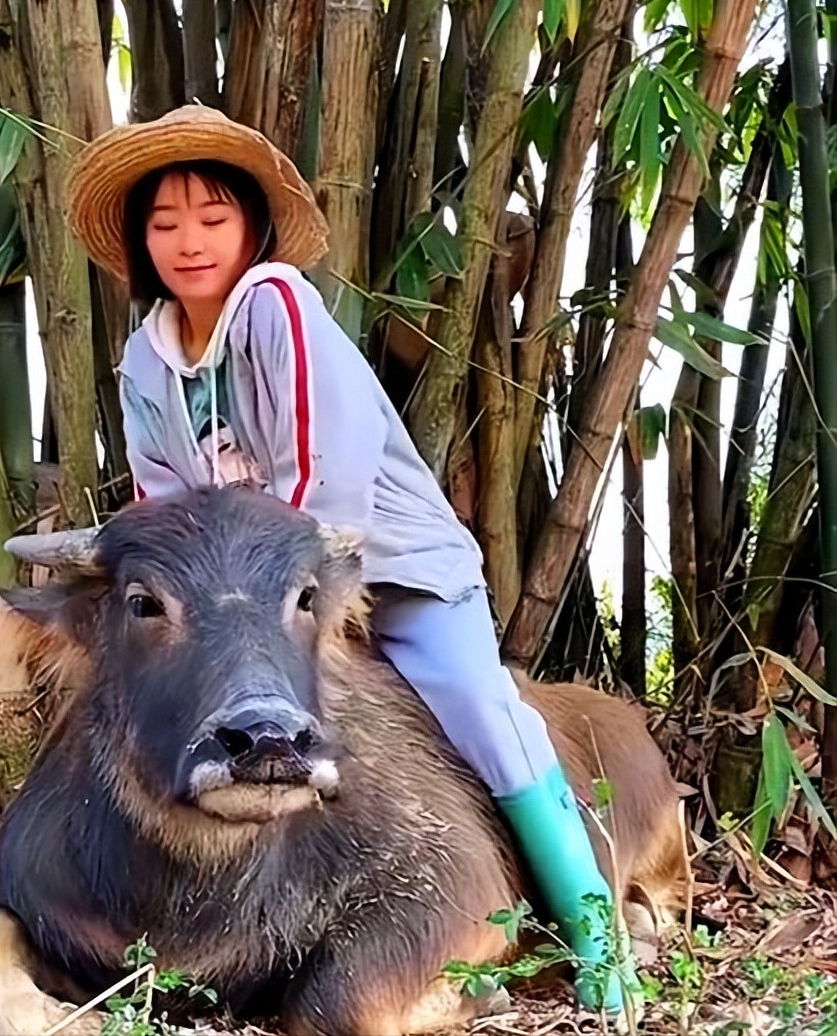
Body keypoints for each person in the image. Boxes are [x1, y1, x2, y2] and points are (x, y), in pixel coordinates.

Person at [66, 105, 637, 1013]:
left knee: (483, 714)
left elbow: (322, 480)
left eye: (212, 218)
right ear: (140, 241)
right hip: (250, 613)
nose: (189, 241)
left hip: (386, 572)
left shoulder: (277, 307)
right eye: (164, 223)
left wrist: (279, 600)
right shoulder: (145, 360)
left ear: (251, 226)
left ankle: (598, 940)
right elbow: (161, 506)